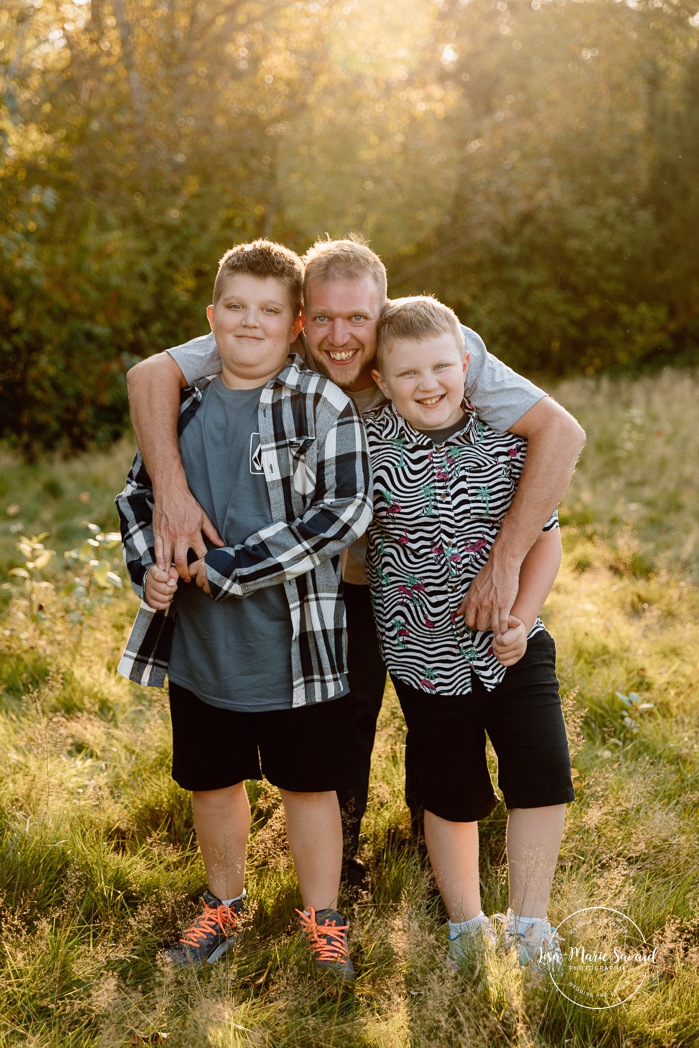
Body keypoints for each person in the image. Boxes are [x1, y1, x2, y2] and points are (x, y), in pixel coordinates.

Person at [125, 236, 585, 882]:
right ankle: (339, 858)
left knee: (437, 710)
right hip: (317, 577)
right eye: (323, 320)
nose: (339, 337)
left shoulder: (430, 350)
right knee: (342, 714)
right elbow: (150, 375)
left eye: (357, 319)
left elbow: (560, 432)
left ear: (384, 310)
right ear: (300, 319)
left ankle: (437, 843)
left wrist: (504, 563)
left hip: (431, 577)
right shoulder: (277, 337)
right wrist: (170, 494)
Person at [116, 240, 372, 980]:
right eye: (234, 307)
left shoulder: (319, 402)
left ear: (295, 324)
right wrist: (153, 568)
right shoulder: (184, 403)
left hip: (299, 644)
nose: (248, 322)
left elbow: (345, 508)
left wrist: (226, 567)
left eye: (267, 310)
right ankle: (223, 904)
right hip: (202, 649)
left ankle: (322, 917)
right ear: (211, 317)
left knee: (308, 784)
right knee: (211, 779)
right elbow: (138, 496)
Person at [364, 295, 575, 969]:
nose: (427, 384)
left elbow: (546, 543)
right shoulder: (369, 455)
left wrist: (518, 616)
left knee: (540, 775)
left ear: (465, 364)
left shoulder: (506, 444)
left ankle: (531, 923)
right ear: (381, 383)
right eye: (407, 374)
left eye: (438, 367)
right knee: (451, 790)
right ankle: (465, 924)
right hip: (422, 657)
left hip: (514, 649)